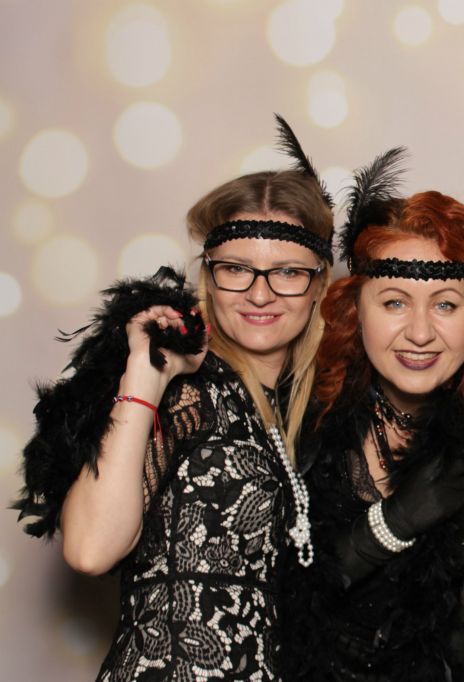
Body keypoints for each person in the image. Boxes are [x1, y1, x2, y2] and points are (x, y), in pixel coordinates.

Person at [15, 117, 334, 680]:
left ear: (319, 283)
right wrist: (144, 377)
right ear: (208, 276)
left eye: (287, 272)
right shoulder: (187, 392)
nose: (260, 293)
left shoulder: (309, 409)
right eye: (236, 269)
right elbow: (90, 549)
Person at [278, 148, 464, 681]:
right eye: (394, 302)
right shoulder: (299, 411)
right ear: (354, 311)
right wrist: (394, 521)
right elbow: (270, 597)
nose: (420, 333)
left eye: (445, 304)